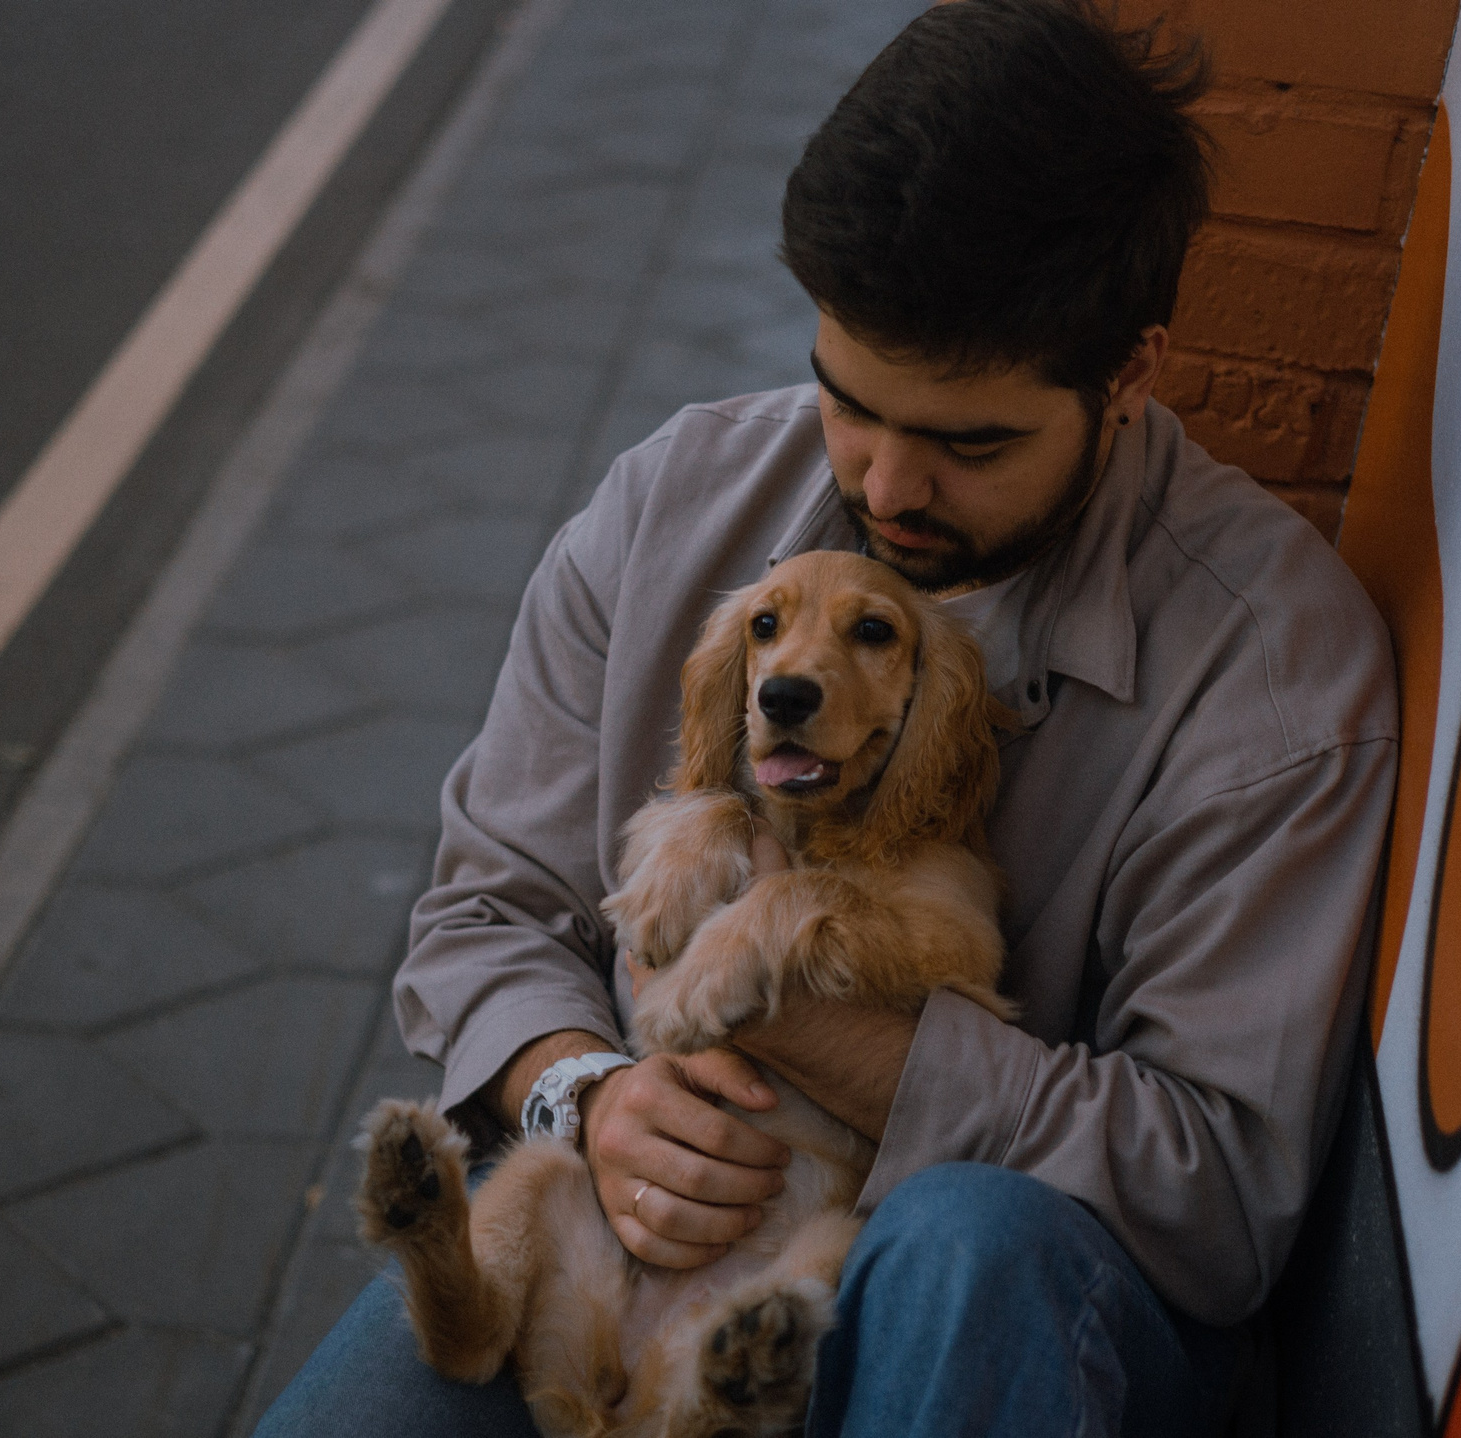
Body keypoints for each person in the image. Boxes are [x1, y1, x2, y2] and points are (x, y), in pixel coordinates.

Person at [256, 1, 1395, 1433]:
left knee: (969, 1244)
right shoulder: (675, 503)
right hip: (632, 1230)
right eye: (847, 402)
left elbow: (1213, 1191)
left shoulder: (1277, 673)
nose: (887, 484)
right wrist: (589, 1095)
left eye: (969, 442)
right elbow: (488, 907)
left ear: (1131, 375)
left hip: (1019, 1309)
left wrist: (783, 997)